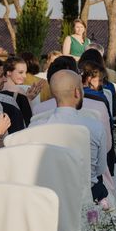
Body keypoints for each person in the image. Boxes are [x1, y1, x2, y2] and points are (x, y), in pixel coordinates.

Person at [30, 69, 108, 202]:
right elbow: (100, 168)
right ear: (77, 92)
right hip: (87, 195)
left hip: (48, 197)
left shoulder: (35, 127)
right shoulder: (95, 127)